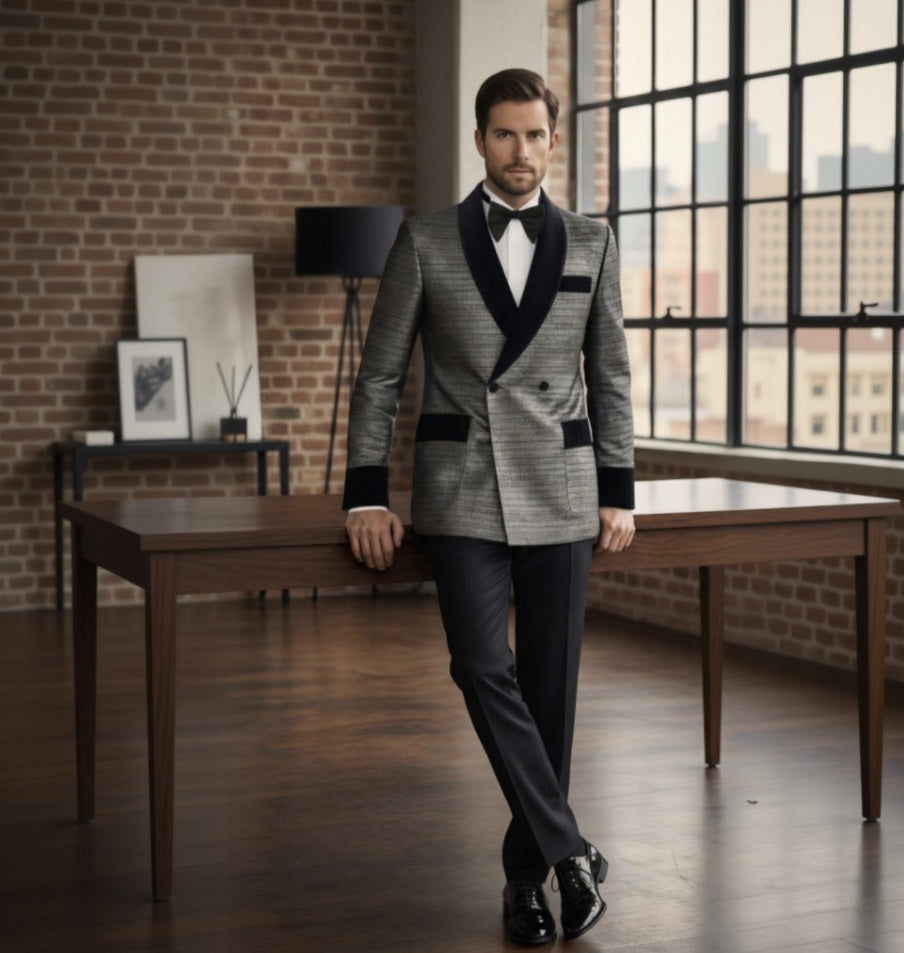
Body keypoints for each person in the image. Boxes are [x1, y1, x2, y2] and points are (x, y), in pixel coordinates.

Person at [342, 68, 636, 945]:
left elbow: (610, 373)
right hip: (461, 484)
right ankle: (572, 849)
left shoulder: (592, 240)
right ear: (479, 140)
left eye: (534, 134)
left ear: (554, 140)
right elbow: (380, 376)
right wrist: (365, 495)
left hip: (562, 487)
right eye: (503, 134)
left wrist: (617, 488)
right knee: (479, 665)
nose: (520, 151)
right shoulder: (426, 239)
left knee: (549, 693)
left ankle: (527, 883)